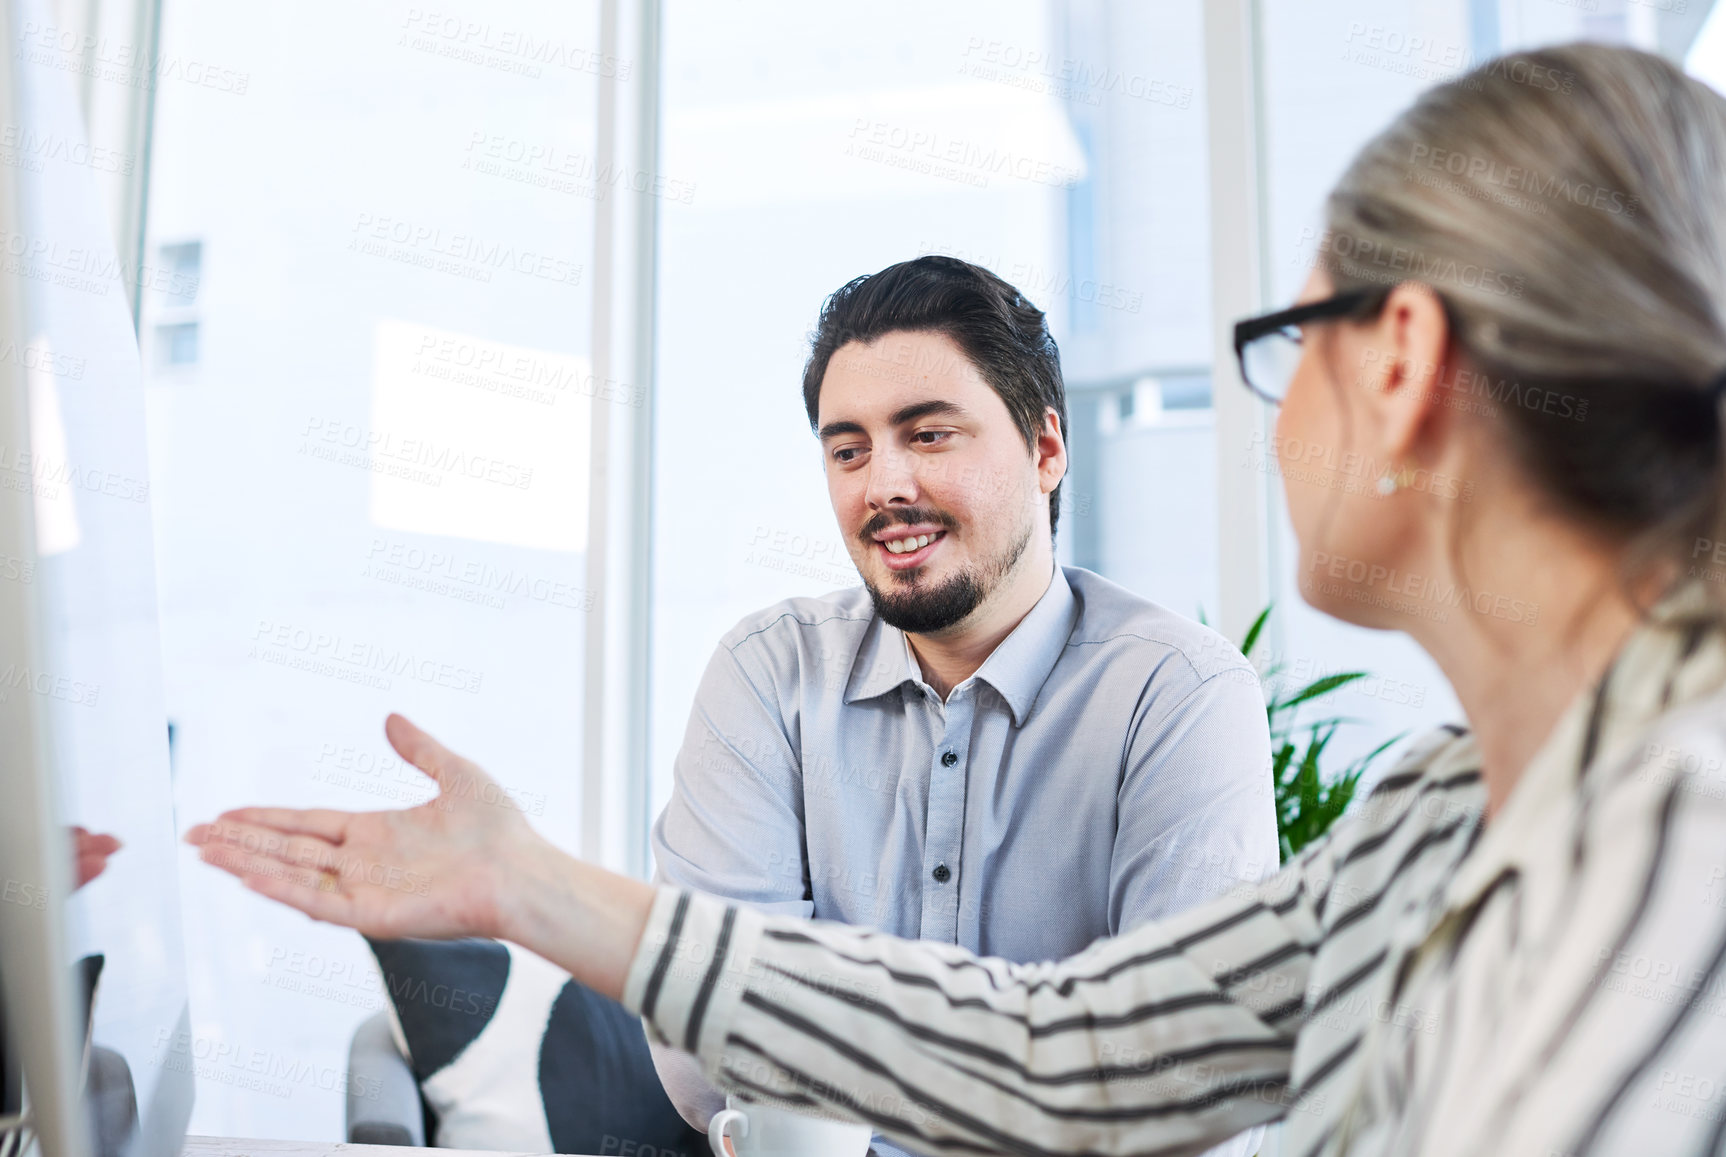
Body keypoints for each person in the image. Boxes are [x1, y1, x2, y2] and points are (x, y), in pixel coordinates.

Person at [187, 42, 1726, 1157]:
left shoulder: (1676, 831)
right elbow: (1071, 1054)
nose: (1274, 416)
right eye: (847, 445)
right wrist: (527, 886)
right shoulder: (1439, 814)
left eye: (1288, 341)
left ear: (1397, 361)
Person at [646, 256, 1275, 1157]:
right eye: (848, 448)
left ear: (1046, 449)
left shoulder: (1178, 697)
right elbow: (711, 1039)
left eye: (930, 434)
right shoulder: (767, 675)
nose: (883, 486)